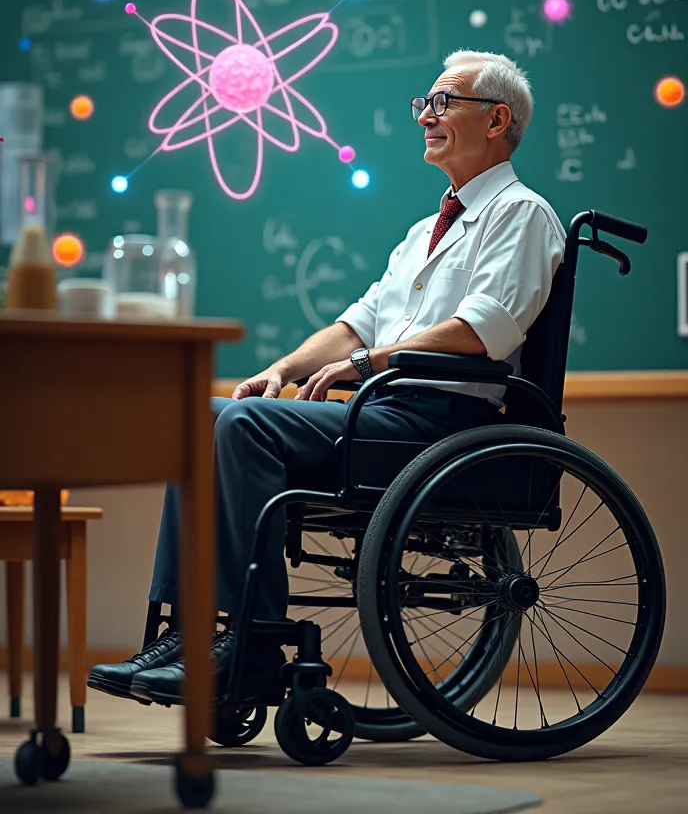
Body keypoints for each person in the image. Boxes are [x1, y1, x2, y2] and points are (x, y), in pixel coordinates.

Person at [88, 49, 565, 708]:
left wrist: (370, 363)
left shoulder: (523, 214)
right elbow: (354, 325)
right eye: (423, 104)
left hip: (444, 425)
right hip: (389, 414)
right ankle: (187, 631)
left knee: (249, 426)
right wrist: (280, 369)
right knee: (206, 414)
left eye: (442, 103)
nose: (426, 116)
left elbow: (482, 330)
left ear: (497, 120)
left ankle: (250, 647)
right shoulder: (425, 230)